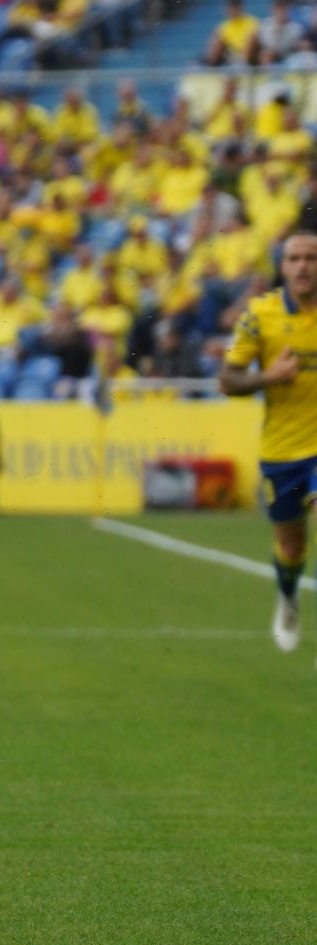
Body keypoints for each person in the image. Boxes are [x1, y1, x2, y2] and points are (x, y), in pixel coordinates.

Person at [219, 230, 317, 656]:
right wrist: (268, 378)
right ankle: (289, 597)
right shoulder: (260, 315)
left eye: (311, 258)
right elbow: (228, 379)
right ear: (283, 266)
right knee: (291, 546)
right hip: (281, 451)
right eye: (294, 258)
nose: (303, 266)